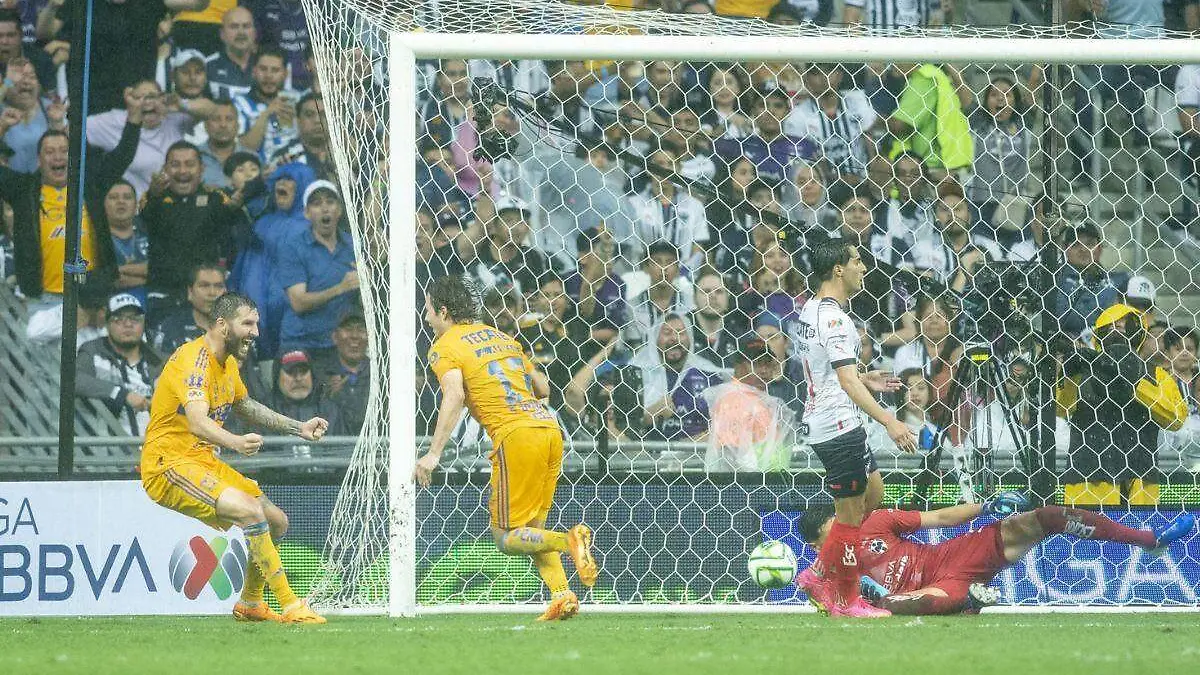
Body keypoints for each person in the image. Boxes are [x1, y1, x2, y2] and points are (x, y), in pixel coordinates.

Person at [414, 274, 598, 622]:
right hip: (549, 429)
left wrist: (433, 453)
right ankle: (562, 595)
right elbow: (543, 388)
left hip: (515, 435)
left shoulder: (444, 346)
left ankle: (569, 541)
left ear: (443, 311)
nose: (426, 317)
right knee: (533, 529)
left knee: (505, 537)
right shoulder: (503, 338)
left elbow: (454, 394)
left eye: (427, 310)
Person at [141, 291, 328, 624]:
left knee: (276, 521)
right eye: (248, 324)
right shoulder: (195, 361)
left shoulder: (227, 364)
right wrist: (236, 443)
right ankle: (291, 605)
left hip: (201, 461)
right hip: (168, 463)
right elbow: (197, 421)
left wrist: (298, 427)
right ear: (222, 325)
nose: (255, 332)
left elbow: (245, 405)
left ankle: (251, 602)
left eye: (256, 324)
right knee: (250, 511)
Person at [800, 494, 1195, 615]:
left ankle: (1149, 538)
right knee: (940, 600)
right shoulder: (827, 570)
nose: (841, 532)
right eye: (825, 539)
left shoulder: (875, 522)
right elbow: (826, 601)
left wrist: (985, 506)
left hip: (947, 558)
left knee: (1046, 517)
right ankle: (966, 601)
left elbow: (939, 517)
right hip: (932, 590)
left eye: (835, 525)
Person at [793, 238, 917, 618]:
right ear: (838, 269)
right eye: (857, 261)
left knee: (873, 495)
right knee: (848, 517)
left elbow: (830, 372)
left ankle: (818, 572)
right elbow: (844, 382)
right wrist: (890, 420)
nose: (863, 268)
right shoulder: (835, 319)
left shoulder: (811, 308)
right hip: (837, 424)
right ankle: (847, 601)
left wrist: (865, 378)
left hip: (838, 416)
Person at [279, 180, 358, 357]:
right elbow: (298, 303)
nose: (325, 208)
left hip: (338, 343)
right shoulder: (293, 247)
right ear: (306, 213)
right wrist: (341, 288)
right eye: (316, 204)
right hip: (300, 343)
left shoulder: (354, 246)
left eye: (330, 202)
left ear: (339, 209)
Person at [76, 293, 164, 436]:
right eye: (119, 319)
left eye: (135, 319)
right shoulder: (93, 351)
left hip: (157, 445)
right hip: (110, 445)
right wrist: (121, 394)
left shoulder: (158, 360)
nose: (128, 324)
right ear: (107, 323)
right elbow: (75, 380)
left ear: (143, 324)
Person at [148, 263, 226, 354]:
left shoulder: (237, 329)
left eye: (218, 286)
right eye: (204, 286)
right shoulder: (170, 329)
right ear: (190, 292)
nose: (212, 293)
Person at [206, 7, 258, 101]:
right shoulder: (207, 66)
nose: (241, 32)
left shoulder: (266, 66)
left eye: (246, 26)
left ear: (254, 33)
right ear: (222, 34)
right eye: (234, 27)